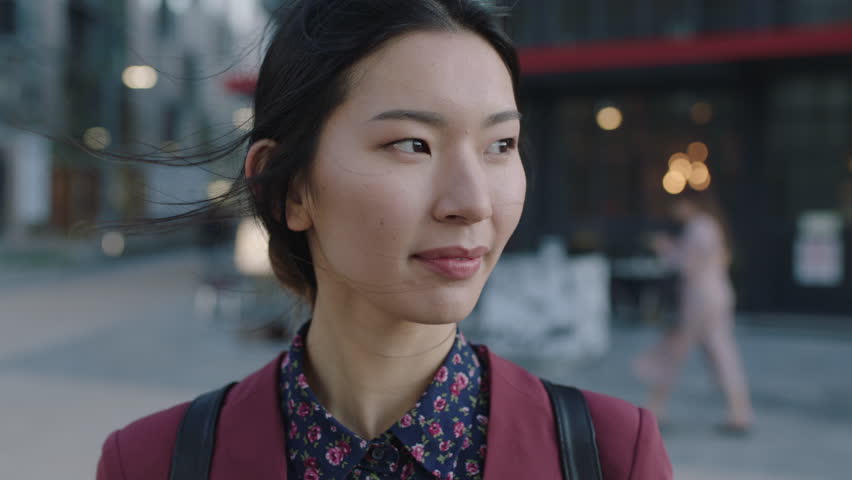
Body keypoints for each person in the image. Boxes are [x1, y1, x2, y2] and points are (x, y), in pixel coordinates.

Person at [96, 1, 672, 478]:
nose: (471, 202)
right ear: (288, 190)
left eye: (500, 146)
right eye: (413, 144)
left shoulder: (611, 456)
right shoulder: (154, 463)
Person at [635, 189, 754, 434]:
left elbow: (685, 264)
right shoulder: (711, 226)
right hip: (716, 295)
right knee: (719, 353)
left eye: (677, 204)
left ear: (688, 203)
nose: (674, 211)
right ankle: (739, 411)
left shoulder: (699, 228)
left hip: (700, 299)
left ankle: (655, 408)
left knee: (678, 352)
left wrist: (665, 247)